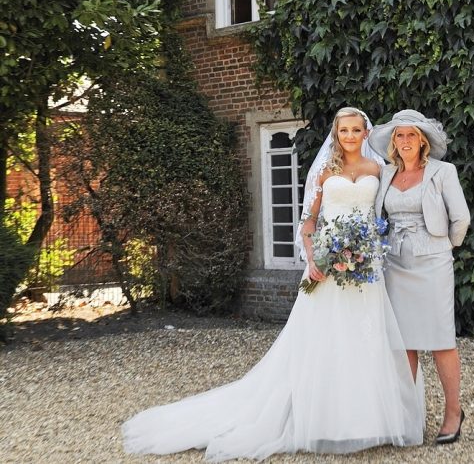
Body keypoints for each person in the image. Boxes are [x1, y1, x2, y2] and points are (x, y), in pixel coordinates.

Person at [122, 107, 424, 461]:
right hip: (325, 270)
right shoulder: (326, 171)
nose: (351, 136)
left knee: (365, 338)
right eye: (344, 130)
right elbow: (308, 223)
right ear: (336, 134)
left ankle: (366, 418)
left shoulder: (379, 170)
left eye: (357, 130)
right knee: (325, 340)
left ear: (366, 133)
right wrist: (314, 261)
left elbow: (385, 213)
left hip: (365, 270)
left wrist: (368, 249)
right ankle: (322, 419)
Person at [369, 109, 471, 445]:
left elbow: (461, 219)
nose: (406, 141)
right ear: (393, 143)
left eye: (412, 134)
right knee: (405, 342)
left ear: (422, 140)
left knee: (441, 340)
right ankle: (408, 418)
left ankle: (453, 412)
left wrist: (443, 248)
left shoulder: (443, 171)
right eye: (400, 135)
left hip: (434, 263)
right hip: (396, 264)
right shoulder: (384, 175)